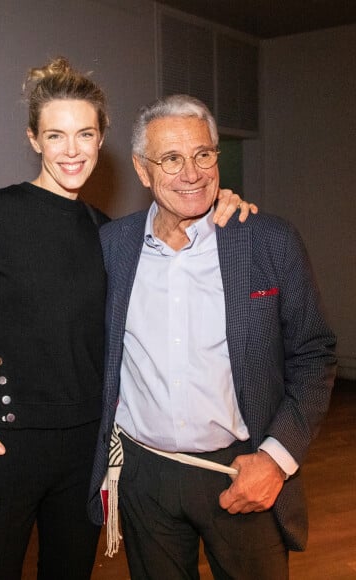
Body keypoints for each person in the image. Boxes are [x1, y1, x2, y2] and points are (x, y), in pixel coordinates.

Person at [0, 59, 254, 580]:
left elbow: (167, 252)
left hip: (87, 450)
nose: (71, 150)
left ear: (101, 138)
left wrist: (219, 203)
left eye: (84, 134)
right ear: (34, 139)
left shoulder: (110, 235)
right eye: (56, 135)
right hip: (5, 445)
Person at [87, 94, 337, 579]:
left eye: (203, 155)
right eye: (172, 159)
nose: (193, 173)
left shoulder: (267, 239)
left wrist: (275, 458)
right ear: (142, 170)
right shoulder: (112, 246)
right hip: (144, 477)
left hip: (241, 472)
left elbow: (315, 354)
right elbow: (56, 300)